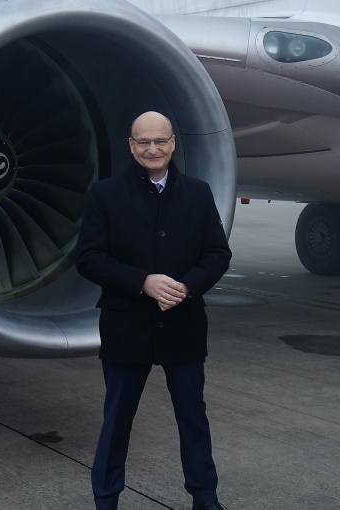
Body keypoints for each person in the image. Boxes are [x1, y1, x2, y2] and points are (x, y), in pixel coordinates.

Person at [76, 111, 232, 510]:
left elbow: (217, 254)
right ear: (131, 145)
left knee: (193, 420)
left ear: (173, 143)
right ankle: (106, 497)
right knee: (117, 421)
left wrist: (188, 286)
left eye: (160, 141)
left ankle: (205, 496)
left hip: (182, 323)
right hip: (127, 326)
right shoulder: (105, 194)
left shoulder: (198, 193)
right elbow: (90, 258)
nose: (152, 149)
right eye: (143, 142)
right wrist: (142, 282)